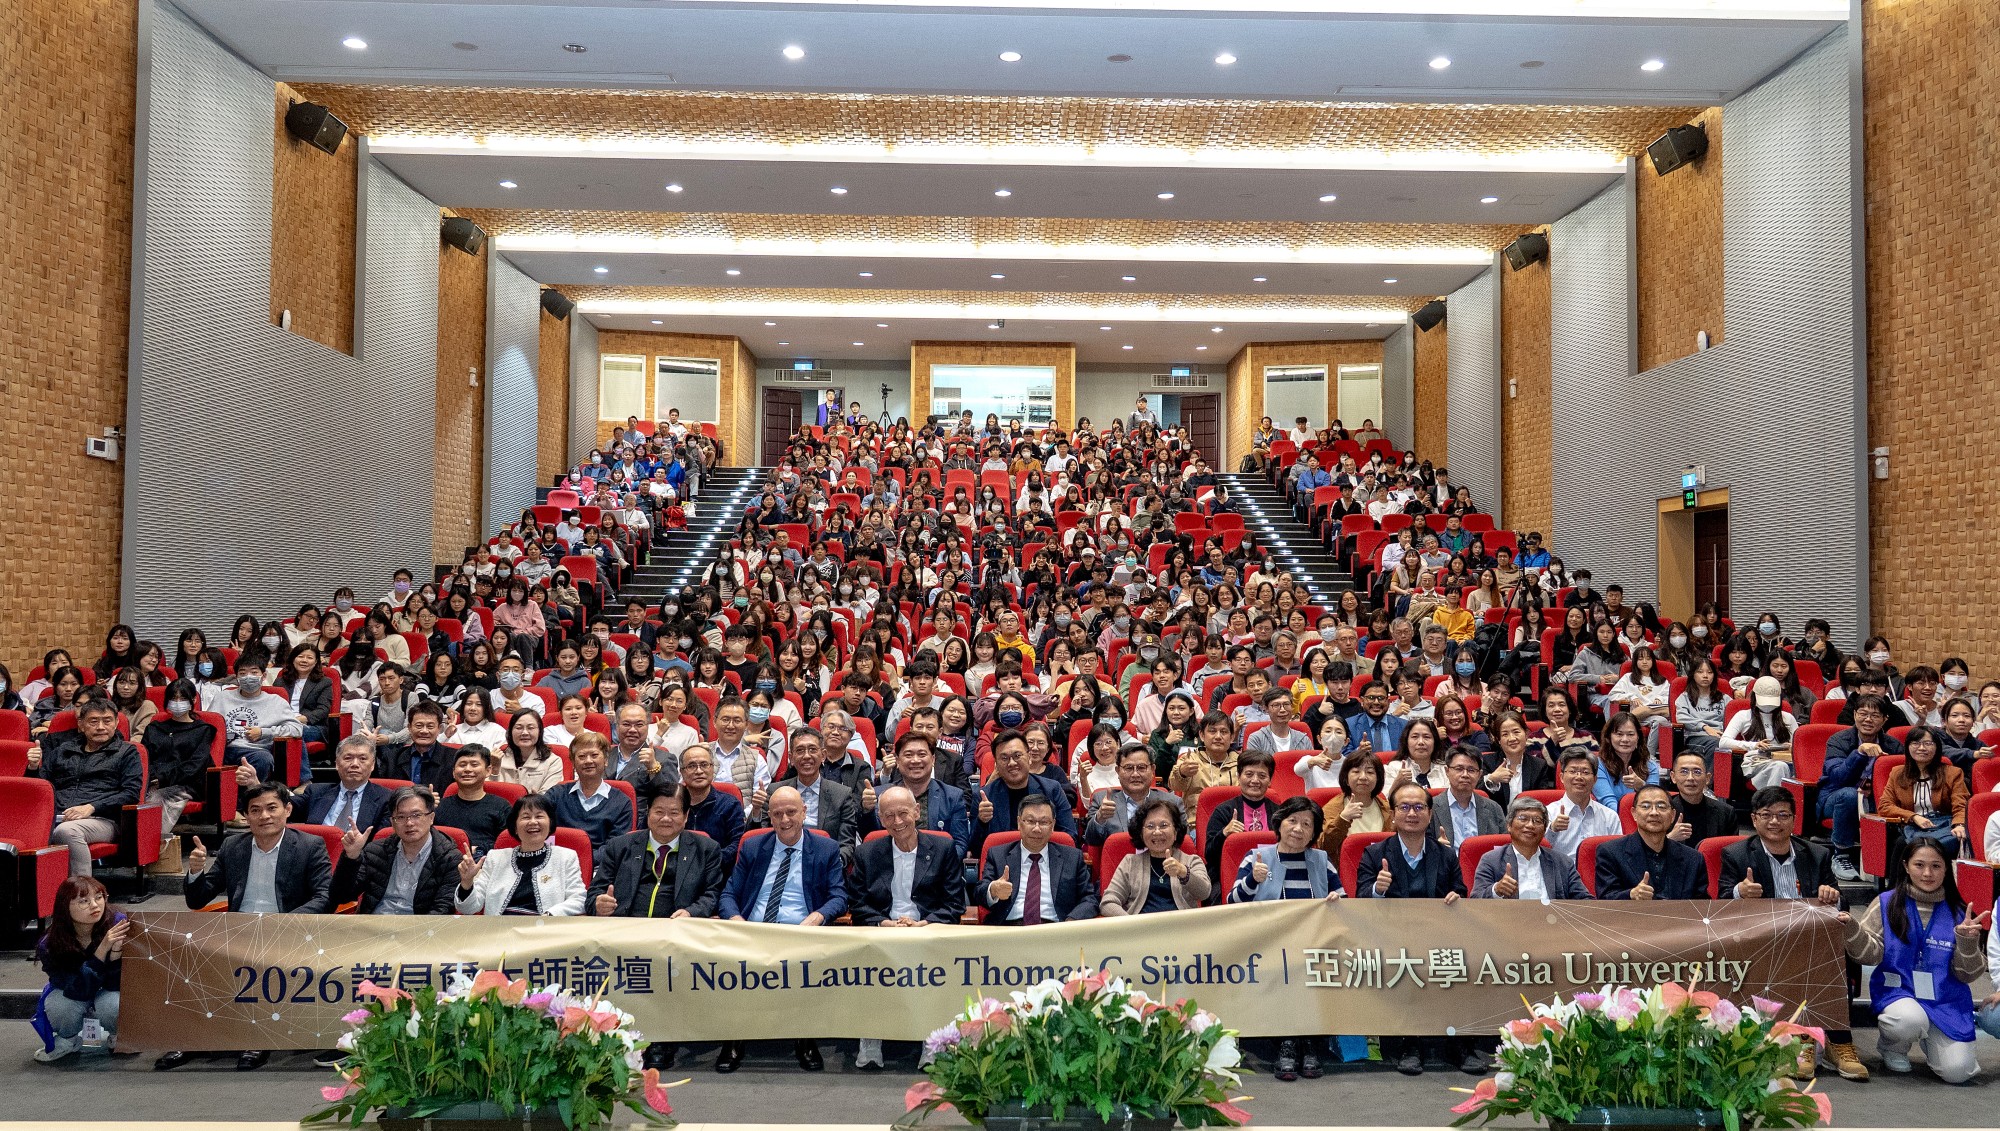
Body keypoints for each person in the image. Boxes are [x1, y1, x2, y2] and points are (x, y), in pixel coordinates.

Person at [163, 782, 332, 1072]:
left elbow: (324, 896)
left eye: (271, 808)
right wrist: (195, 871)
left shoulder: (308, 845)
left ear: (287, 810)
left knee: (259, 960)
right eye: (255, 810)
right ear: (246, 816)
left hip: (286, 931)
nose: (264, 816)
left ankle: (256, 1038)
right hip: (238, 929)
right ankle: (189, 1038)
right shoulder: (233, 846)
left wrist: (285, 923)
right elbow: (198, 900)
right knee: (185, 954)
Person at [1721, 786, 1869, 1081]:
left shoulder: (1816, 854)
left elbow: (1841, 901)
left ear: (1794, 819)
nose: (1774, 821)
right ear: (1753, 818)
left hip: (1808, 936)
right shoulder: (1736, 854)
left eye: (1782, 815)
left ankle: (1838, 1043)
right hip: (1763, 938)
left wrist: (1833, 896)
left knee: (1831, 947)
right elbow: (1720, 902)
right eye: (1766, 815)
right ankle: (1803, 1039)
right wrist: (1740, 892)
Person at [716, 786, 847, 1073]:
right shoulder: (753, 846)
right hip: (755, 929)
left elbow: (838, 897)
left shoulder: (826, 848)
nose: (785, 819)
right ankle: (735, 1037)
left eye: (791, 812)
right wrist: (736, 920)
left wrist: (817, 917)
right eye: (777, 814)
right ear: (770, 819)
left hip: (801, 930)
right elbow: (728, 895)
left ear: (804, 812)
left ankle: (805, 1037)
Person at [1842, 839, 1985, 1082]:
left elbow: (1966, 975)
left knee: (1958, 1073)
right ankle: (1892, 1046)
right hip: (1899, 993)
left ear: (1946, 869)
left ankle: (1935, 1042)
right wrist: (1852, 929)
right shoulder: (1886, 903)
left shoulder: (1960, 913)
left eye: (1936, 866)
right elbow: (1869, 955)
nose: (1927, 873)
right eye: (1919, 865)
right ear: (1906, 866)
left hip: (1945, 1000)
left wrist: (1967, 942)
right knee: (1908, 1020)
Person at [1356, 783, 1474, 1075]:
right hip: (1390, 938)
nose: (1412, 813)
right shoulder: (1374, 853)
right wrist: (1377, 890)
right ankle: (1408, 1043)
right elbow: (1359, 900)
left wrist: (1456, 898)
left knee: (1460, 961)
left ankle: (1457, 1043)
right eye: (1404, 807)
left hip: (1437, 936)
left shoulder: (1445, 854)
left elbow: (1460, 891)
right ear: (1393, 814)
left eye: (1419, 807)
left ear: (1430, 814)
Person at [1226, 794, 1340, 1081]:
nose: (1298, 829)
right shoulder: (1257, 857)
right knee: (1286, 966)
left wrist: (1336, 899)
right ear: (1279, 823)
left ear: (1314, 833)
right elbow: (1233, 902)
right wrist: (1253, 879)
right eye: (1292, 821)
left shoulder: (1321, 861)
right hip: (1268, 943)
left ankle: (1307, 1041)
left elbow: (1344, 899)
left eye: (1306, 824)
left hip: (1313, 942)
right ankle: (1290, 1043)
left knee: (1308, 965)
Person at [25, 697, 142, 876]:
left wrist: (91, 807)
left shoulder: (127, 752)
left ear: (117, 722)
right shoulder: (63, 750)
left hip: (102, 818)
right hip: (57, 815)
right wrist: (33, 768)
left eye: (107, 721)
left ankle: (83, 892)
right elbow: (40, 788)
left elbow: (131, 793)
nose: (101, 727)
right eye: (94, 721)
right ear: (81, 724)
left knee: (67, 831)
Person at [590, 787, 726, 921]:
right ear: (648, 812)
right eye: (659, 812)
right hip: (624, 927)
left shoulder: (706, 849)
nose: (666, 819)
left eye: (674, 813)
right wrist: (598, 904)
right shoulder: (619, 846)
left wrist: (691, 912)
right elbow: (595, 891)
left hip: (677, 930)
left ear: (686, 816)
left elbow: (712, 894)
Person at [33, 877, 126, 1063]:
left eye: (99, 897)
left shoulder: (117, 922)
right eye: (83, 901)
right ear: (65, 907)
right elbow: (76, 990)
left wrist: (116, 954)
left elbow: (118, 984)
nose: (95, 905)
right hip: (74, 993)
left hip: (109, 991)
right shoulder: (50, 945)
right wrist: (102, 950)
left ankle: (120, 1036)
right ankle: (68, 1039)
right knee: (59, 1004)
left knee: (113, 1004)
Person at [331, 786, 464, 915]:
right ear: (392, 822)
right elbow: (341, 896)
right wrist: (352, 857)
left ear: (431, 818)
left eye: (416, 815)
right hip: (374, 927)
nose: (409, 823)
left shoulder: (450, 858)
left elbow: (443, 909)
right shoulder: (375, 851)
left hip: (419, 931)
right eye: (400, 817)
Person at [974, 793, 1098, 925]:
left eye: (1044, 822)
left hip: (1056, 930)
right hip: (1008, 930)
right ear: (1019, 823)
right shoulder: (998, 854)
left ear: (1052, 826)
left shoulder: (1072, 858)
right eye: (1030, 821)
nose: (1037, 828)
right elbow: (979, 893)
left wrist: (1071, 921)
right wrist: (993, 890)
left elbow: (1089, 899)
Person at [453, 794, 587, 916]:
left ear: (550, 822)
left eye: (539, 816)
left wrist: (551, 915)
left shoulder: (565, 857)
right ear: (515, 827)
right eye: (526, 817)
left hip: (545, 934)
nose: (533, 822)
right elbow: (468, 909)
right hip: (499, 934)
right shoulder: (495, 858)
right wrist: (467, 882)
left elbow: (579, 899)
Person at [1821, 693, 1904, 881]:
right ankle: (1841, 854)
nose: (1868, 719)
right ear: (1855, 715)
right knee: (1850, 795)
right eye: (1863, 713)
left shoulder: (1893, 745)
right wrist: (1858, 753)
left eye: (1875, 715)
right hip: (1836, 796)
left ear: (1884, 720)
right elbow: (1838, 777)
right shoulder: (1838, 740)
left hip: (1875, 798)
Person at [749, 726, 860, 863]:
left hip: (824, 863)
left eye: (812, 750)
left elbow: (847, 845)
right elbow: (760, 837)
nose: (806, 756)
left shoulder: (841, 794)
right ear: (791, 758)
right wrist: (756, 811)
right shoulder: (775, 791)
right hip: (781, 860)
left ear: (823, 755)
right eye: (800, 751)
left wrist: (832, 864)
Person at [868, 731, 972, 858]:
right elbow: (870, 840)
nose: (915, 760)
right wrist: (867, 810)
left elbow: (960, 844)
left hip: (937, 871)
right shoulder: (881, 795)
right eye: (908, 755)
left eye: (922, 754)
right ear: (898, 761)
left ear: (933, 759)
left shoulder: (952, 796)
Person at [1595, 784, 1708, 900]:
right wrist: (1630, 895)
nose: (1654, 812)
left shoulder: (1693, 859)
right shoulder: (1611, 852)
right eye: (1645, 806)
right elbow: (1605, 899)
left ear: (1672, 815)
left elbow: (1702, 907)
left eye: (1661, 806)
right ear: (1634, 813)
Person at [1102, 797, 1211, 915]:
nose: (1157, 832)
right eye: (1150, 826)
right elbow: (1108, 903)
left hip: (1181, 929)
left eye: (1164, 825)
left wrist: (1183, 872)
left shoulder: (1192, 861)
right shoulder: (1130, 862)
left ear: (1176, 832)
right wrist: (1130, 923)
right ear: (1141, 833)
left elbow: (1204, 893)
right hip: (1141, 930)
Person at [1472, 795, 1588, 900]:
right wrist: (1496, 890)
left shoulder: (1562, 862)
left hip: (1552, 921)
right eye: (1523, 819)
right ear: (1509, 826)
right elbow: (1475, 900)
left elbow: (1585, 900)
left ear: (1544, 829)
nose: (1530, 825)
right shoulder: (1492, 860)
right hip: (1508, 921)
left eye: (1537, 821)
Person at [975, 728, 1080, 844]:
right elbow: (975, 848)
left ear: (1029, 757)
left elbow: (1070, 837)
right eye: (1004, 758)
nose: (1012, 763)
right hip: (1000, 860)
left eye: (1017, 756)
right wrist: (982, 822)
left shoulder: (1052, 789)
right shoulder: (984, 797)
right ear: (996, 763)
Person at [208, 653, 298, 782]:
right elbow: (210, 726)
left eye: (254, 672)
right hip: (224, 749)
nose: (248, 677)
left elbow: (295, 728)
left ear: (264, 676)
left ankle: (252, 795)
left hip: (254, 751)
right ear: (237, 677)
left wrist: (264, 733)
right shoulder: (222, 697)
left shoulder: (276, 701)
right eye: (243, 673)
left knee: (263, 759)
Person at [547, 732, 637, 850]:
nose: (588, 761)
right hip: (560, 862)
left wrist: (585, 861)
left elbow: (615, 848)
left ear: (605, 760)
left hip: (601, 865)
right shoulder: (556, 794)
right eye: (582, 756)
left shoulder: (621, 802)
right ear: (573, 763)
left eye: (594, 755)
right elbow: (543, 831)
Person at [1202, 748, 1280, 883]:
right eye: (1249, 774)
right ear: (1238, 776)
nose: (1255, 780)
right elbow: (1209, 855)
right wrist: (1224, 833)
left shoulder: (1279, 813)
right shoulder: (1223, 811)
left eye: (1262, 776)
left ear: (1270, 780)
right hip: (1230, 876)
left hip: (1272, 875)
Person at [1084, 744, 1182, 849]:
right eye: (1128, 768)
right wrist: (1100, 818)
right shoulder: (1102, 800)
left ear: (1152, 769)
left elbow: (1182, 843)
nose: (1135, 774)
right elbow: (1091, 841)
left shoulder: (1173, 802)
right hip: (1119, 864)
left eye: (1141, 767)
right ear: (1117, 771)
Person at [292, 736, 392, 832]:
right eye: (348, 758)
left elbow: (382, 842)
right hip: (317, 848)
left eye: (362, 759)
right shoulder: (315, 792)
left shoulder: (386, 799)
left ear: (372, 765)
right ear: (337, 764)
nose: (355, 764)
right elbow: (284, 806)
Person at [1720, 676, 1797, 790]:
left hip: (1784, 759)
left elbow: (1798, 747)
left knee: (1784, 767)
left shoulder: (1788, 718)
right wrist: (1754, 745)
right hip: (1756, 762)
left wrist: (1792, 747)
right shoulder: (1743, 715)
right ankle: (1773, 803)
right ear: (1755, 697)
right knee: (1779, 767)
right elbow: (1724, 742)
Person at [1544, 750, 1622, 861]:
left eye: (1585, 772)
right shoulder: (1548, 813)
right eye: (1573, 771)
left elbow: (1618, 855)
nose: (1579, 777)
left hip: (1599, 875)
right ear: (1561, 777)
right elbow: (1537, 851)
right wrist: (1553, 829)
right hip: (1560, 875)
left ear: (1595, 779)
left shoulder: (1610, 816)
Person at [1428, 745, 1505, 852]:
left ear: (1479, 775)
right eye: (1459, 769)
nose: (1465, 775)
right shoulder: (1429, 807)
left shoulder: (1494, 809)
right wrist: (1434, 848)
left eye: (1471, 770)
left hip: (1484, 867)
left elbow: (1505, 848)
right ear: (1447, 771)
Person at [434, 745, 511, 853]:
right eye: (462, 765)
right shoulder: (439, 806)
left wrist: (479, 850)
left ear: (488, 771)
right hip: (447, 862)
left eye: (474, 765)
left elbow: (507, 844)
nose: (467, 769)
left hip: (485, 861)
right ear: (453, 772)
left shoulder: (501, 806)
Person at [1664, 750, 1737, 844]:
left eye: (1697, 772)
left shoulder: (1726, 813)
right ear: (1673, 777)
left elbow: (1731, 853)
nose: (1690, 778)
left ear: (1707, 778)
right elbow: (1647, 852)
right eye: (1684, 771)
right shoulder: (1662, 811)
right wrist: (1670, 838)